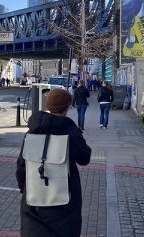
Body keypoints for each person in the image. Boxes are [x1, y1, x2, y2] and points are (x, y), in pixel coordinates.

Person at [16, 88, 91, 237]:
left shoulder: (32, 132)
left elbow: (21, 165)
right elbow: (85, 158)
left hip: (34, 196)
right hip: (64, 197)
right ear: (67, 107)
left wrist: (22, 188)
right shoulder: (71, 132)